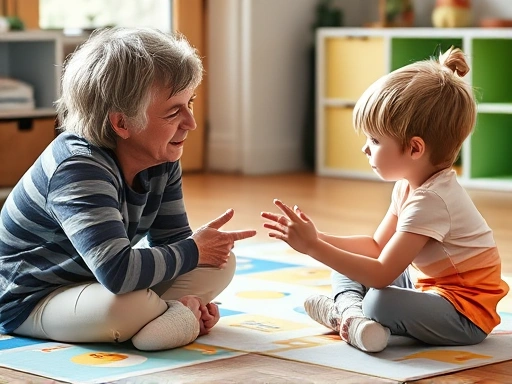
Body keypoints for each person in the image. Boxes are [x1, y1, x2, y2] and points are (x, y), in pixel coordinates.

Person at [0, 27, 256, 351]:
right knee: (127, 306)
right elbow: (118, 273)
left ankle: (170, 318)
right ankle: (169, 318)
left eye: (189, 102)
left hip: (97, 281)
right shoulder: (78, 169)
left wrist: (197, 250)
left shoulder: (160, 154)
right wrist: (194, 249)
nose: (191, 122)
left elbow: (171, 241)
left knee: (220, 262)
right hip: (34, 298)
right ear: (122, 124)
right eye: (174, 111)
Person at [261, 47, 509, 353]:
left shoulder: (432, 200)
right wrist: (319, 238)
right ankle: (352, 317)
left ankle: (347, 315)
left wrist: (313, 247)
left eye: (375, 140)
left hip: (465, 315)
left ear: (415, 149)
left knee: (379, 298)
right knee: (345, 265)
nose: (366, 149)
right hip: (427, 290)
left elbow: (382, 273)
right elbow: (377, 247)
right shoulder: (409, 186)